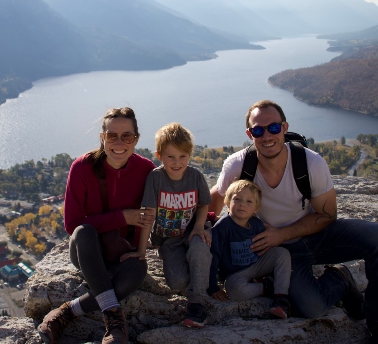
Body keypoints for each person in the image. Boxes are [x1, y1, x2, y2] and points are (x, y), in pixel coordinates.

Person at [210, 100, 378, 342]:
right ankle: (339, 279)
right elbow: (216, 198)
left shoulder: (310, 162)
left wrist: (282, 233)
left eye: (274, 128)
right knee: (313, 307)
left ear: (285, 127)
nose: (267, 136)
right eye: (258, 130)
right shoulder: (238, 165)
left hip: (316, 235)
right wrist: (204, 234)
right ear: (250, 134)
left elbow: (328, 215)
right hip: (279, 252)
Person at [37, 107, 156, 344]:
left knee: (137, 272)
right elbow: (72, 224)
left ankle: (68, 311)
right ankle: (114, 321)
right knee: (83, 231)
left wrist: (207, 220)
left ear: (136, 140)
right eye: (112, 136)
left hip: (123, 254)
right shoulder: (82, 168)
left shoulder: (147, 170)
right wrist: (123, 217)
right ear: (102, 138)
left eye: (127, 136)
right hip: (87, 251)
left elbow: (173, 203)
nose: (119, 142)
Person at [140, 122, 212, 328]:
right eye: (170, 156)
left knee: (199, 249)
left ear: (189, 155)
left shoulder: (195, 176)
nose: (177, 162)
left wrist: (199, 226)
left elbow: (204, 203)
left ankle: (198, 304)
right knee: (177, 283)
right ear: (159, 155)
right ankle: (201, 273)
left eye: (182, 156)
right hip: (169, 241)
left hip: (192, 231)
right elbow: (149, 215)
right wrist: (142, 250)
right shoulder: (156, 178)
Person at [209, 179, 291, 319]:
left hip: (256, 267)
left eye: (249, 201)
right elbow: (213, 256)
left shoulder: (257, 224)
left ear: (256, 209)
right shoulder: (223, 227)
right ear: (228, 203)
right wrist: (212, 286)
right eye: (237, 199)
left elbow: (265, 245)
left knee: (282, 253)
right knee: (235, 291)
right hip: (235, 274)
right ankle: (268, 287)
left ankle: (281, 297)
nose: (242, 204)